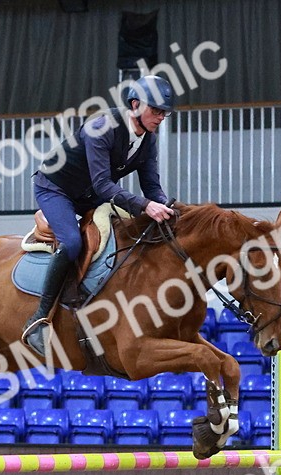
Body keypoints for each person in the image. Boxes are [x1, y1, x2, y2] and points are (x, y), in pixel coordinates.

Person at [23, 74, 178, 358]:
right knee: (71, 242)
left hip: (89, 194)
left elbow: (152, 188)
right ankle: (38, 319)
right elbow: (103, 185)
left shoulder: (148, 140)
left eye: (164, 113)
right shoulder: (101, 127)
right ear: (135, 105)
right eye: (156, 110)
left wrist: (173, 212)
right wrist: (145, 206)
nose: (161, 117)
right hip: (56, 189)